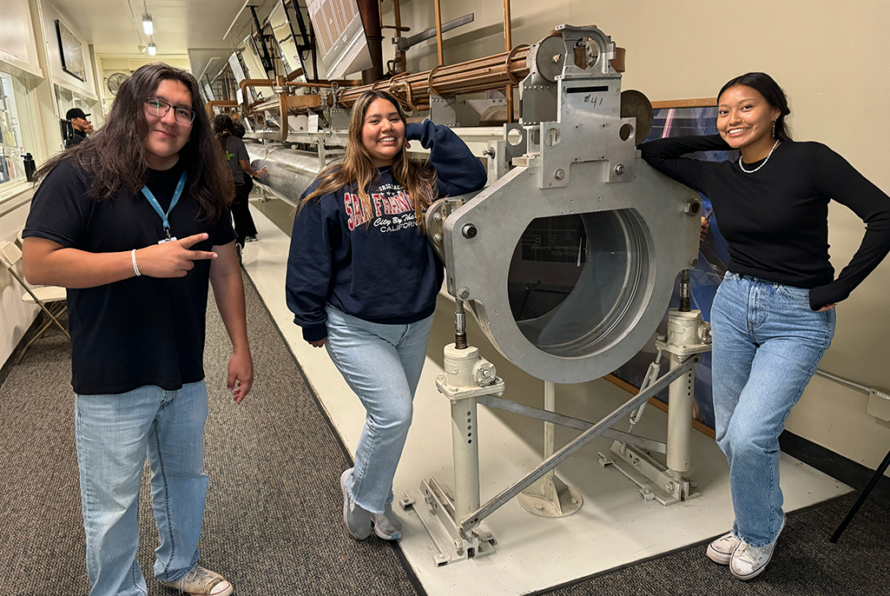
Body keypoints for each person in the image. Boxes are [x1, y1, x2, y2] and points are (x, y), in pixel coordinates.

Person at [640, 72, 890, 581]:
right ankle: (754, 519)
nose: (732, 118)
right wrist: (729, 137)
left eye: (747, 108)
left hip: (798, 316)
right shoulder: (721, 172)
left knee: (752, 433)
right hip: (734, 303)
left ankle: (758, 532)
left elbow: (884, 214)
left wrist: (840, 287)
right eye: (724, 111)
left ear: (776, 110)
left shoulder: (809, 160)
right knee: (732, 432)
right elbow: (653, 154)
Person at [23, 63, 253, 596]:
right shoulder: (80, 173)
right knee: (112, 502)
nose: (169, 118)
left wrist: (240, 346)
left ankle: (179, 566)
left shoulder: (203, 182)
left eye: (183, 110)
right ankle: (119, 590)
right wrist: (136, 261)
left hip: (182, 365)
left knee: (184, 482)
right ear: (131, 106)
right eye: (158, 104)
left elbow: (223, 266)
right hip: (112, 370)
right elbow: (39, 263)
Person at [285, 90, 487, 541]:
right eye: (374, 120)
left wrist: (425, 131)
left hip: (414, 324)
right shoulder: (331, 188)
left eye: (394, 119)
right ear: (358, 130)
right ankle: (365, 493)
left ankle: (371, 488)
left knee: (389, 420)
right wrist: (310, 318)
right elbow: (308, 258)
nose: (386, 127)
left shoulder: (423, 179)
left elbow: (472, 176)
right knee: (395, 414)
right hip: (353, 326)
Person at [214, 114, 265, 249]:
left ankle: (227, 246)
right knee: (240, 217)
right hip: (237, 186)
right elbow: (244, 166)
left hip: (219, 187)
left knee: (223, 218)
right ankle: (239, 244)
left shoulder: (210, 143)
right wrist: (255, 173)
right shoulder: (237, 142)